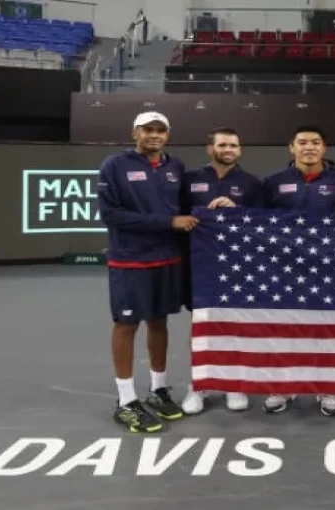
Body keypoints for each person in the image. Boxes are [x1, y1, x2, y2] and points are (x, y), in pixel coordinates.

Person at [97, 111, 197, 433]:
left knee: (159, 322)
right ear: (134, 132)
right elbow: (111, 216)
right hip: (129, 260)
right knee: (126, 325)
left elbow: (186, 212)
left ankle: (158, 390)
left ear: (167, 135)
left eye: (160, 130)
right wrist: (168, 223)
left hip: (167, 259)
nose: (154, 135)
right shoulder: (114, 166)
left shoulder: (175, 167)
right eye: (147, 129)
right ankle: (126, 402)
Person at [260, 125, 335, 417]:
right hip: (286, 269)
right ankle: (283, 385)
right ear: (292, 148)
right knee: (286, 329)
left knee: (325, 329)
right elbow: (259, 223)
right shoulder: (273, 182)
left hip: (329, 268)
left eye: (315, 142)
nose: (309, 147)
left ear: (324, 148)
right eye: (302, 142)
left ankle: (325, 385)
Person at [180, 127, 262, 415]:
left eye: (234, 146)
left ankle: (233, 382)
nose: (228, 150)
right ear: (210, 148)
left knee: (233, 324)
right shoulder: (189, 180)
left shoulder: (251, 183)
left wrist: (236, 209)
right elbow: (178, 215)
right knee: (200, 325)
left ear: (239, 151)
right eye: (223, 144)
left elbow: (262, 224)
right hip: (200, 265)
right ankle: (198, 385)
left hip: (237, 266)